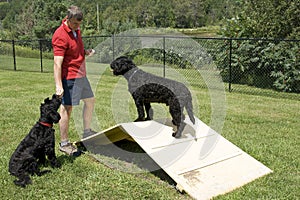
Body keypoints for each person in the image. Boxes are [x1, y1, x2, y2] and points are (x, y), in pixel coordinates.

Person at [52, 5, 97, 156]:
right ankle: (64, 144)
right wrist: (59, 85)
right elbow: (57, 63)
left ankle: (87, 132)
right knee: (66, 108)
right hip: (69, 77)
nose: (78, 26)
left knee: (90, 101)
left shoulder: (76, 30)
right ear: (68, 19)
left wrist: (85, 52)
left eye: (80, 24)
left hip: (81, 75)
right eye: (76, 24)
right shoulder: (60, 35)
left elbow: (75, 52)